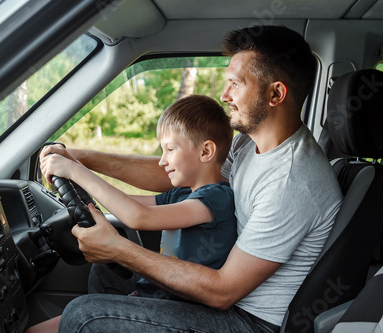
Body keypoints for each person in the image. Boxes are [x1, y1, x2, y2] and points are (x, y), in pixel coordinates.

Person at [37, 25, 343, 333]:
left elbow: (223, 291)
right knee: (106, 275)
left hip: (245, 321)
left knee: (83, 315)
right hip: (224, 303)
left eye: (235, 84)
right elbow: (177, 175)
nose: (224, 95)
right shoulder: (248, 144)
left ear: (275, 93)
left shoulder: (291, 182)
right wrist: (84, 159)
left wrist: (118, 249)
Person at [29, 95, 237, 333]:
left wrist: (76, 172)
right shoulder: (181, 194)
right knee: (103, 270)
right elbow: (124, 203)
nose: (162, 160)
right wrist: (79, 180)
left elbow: (139, 216)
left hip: (183, 310)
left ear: (206, 151)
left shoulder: (216, 198)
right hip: (159, 294)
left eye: (170, 149)